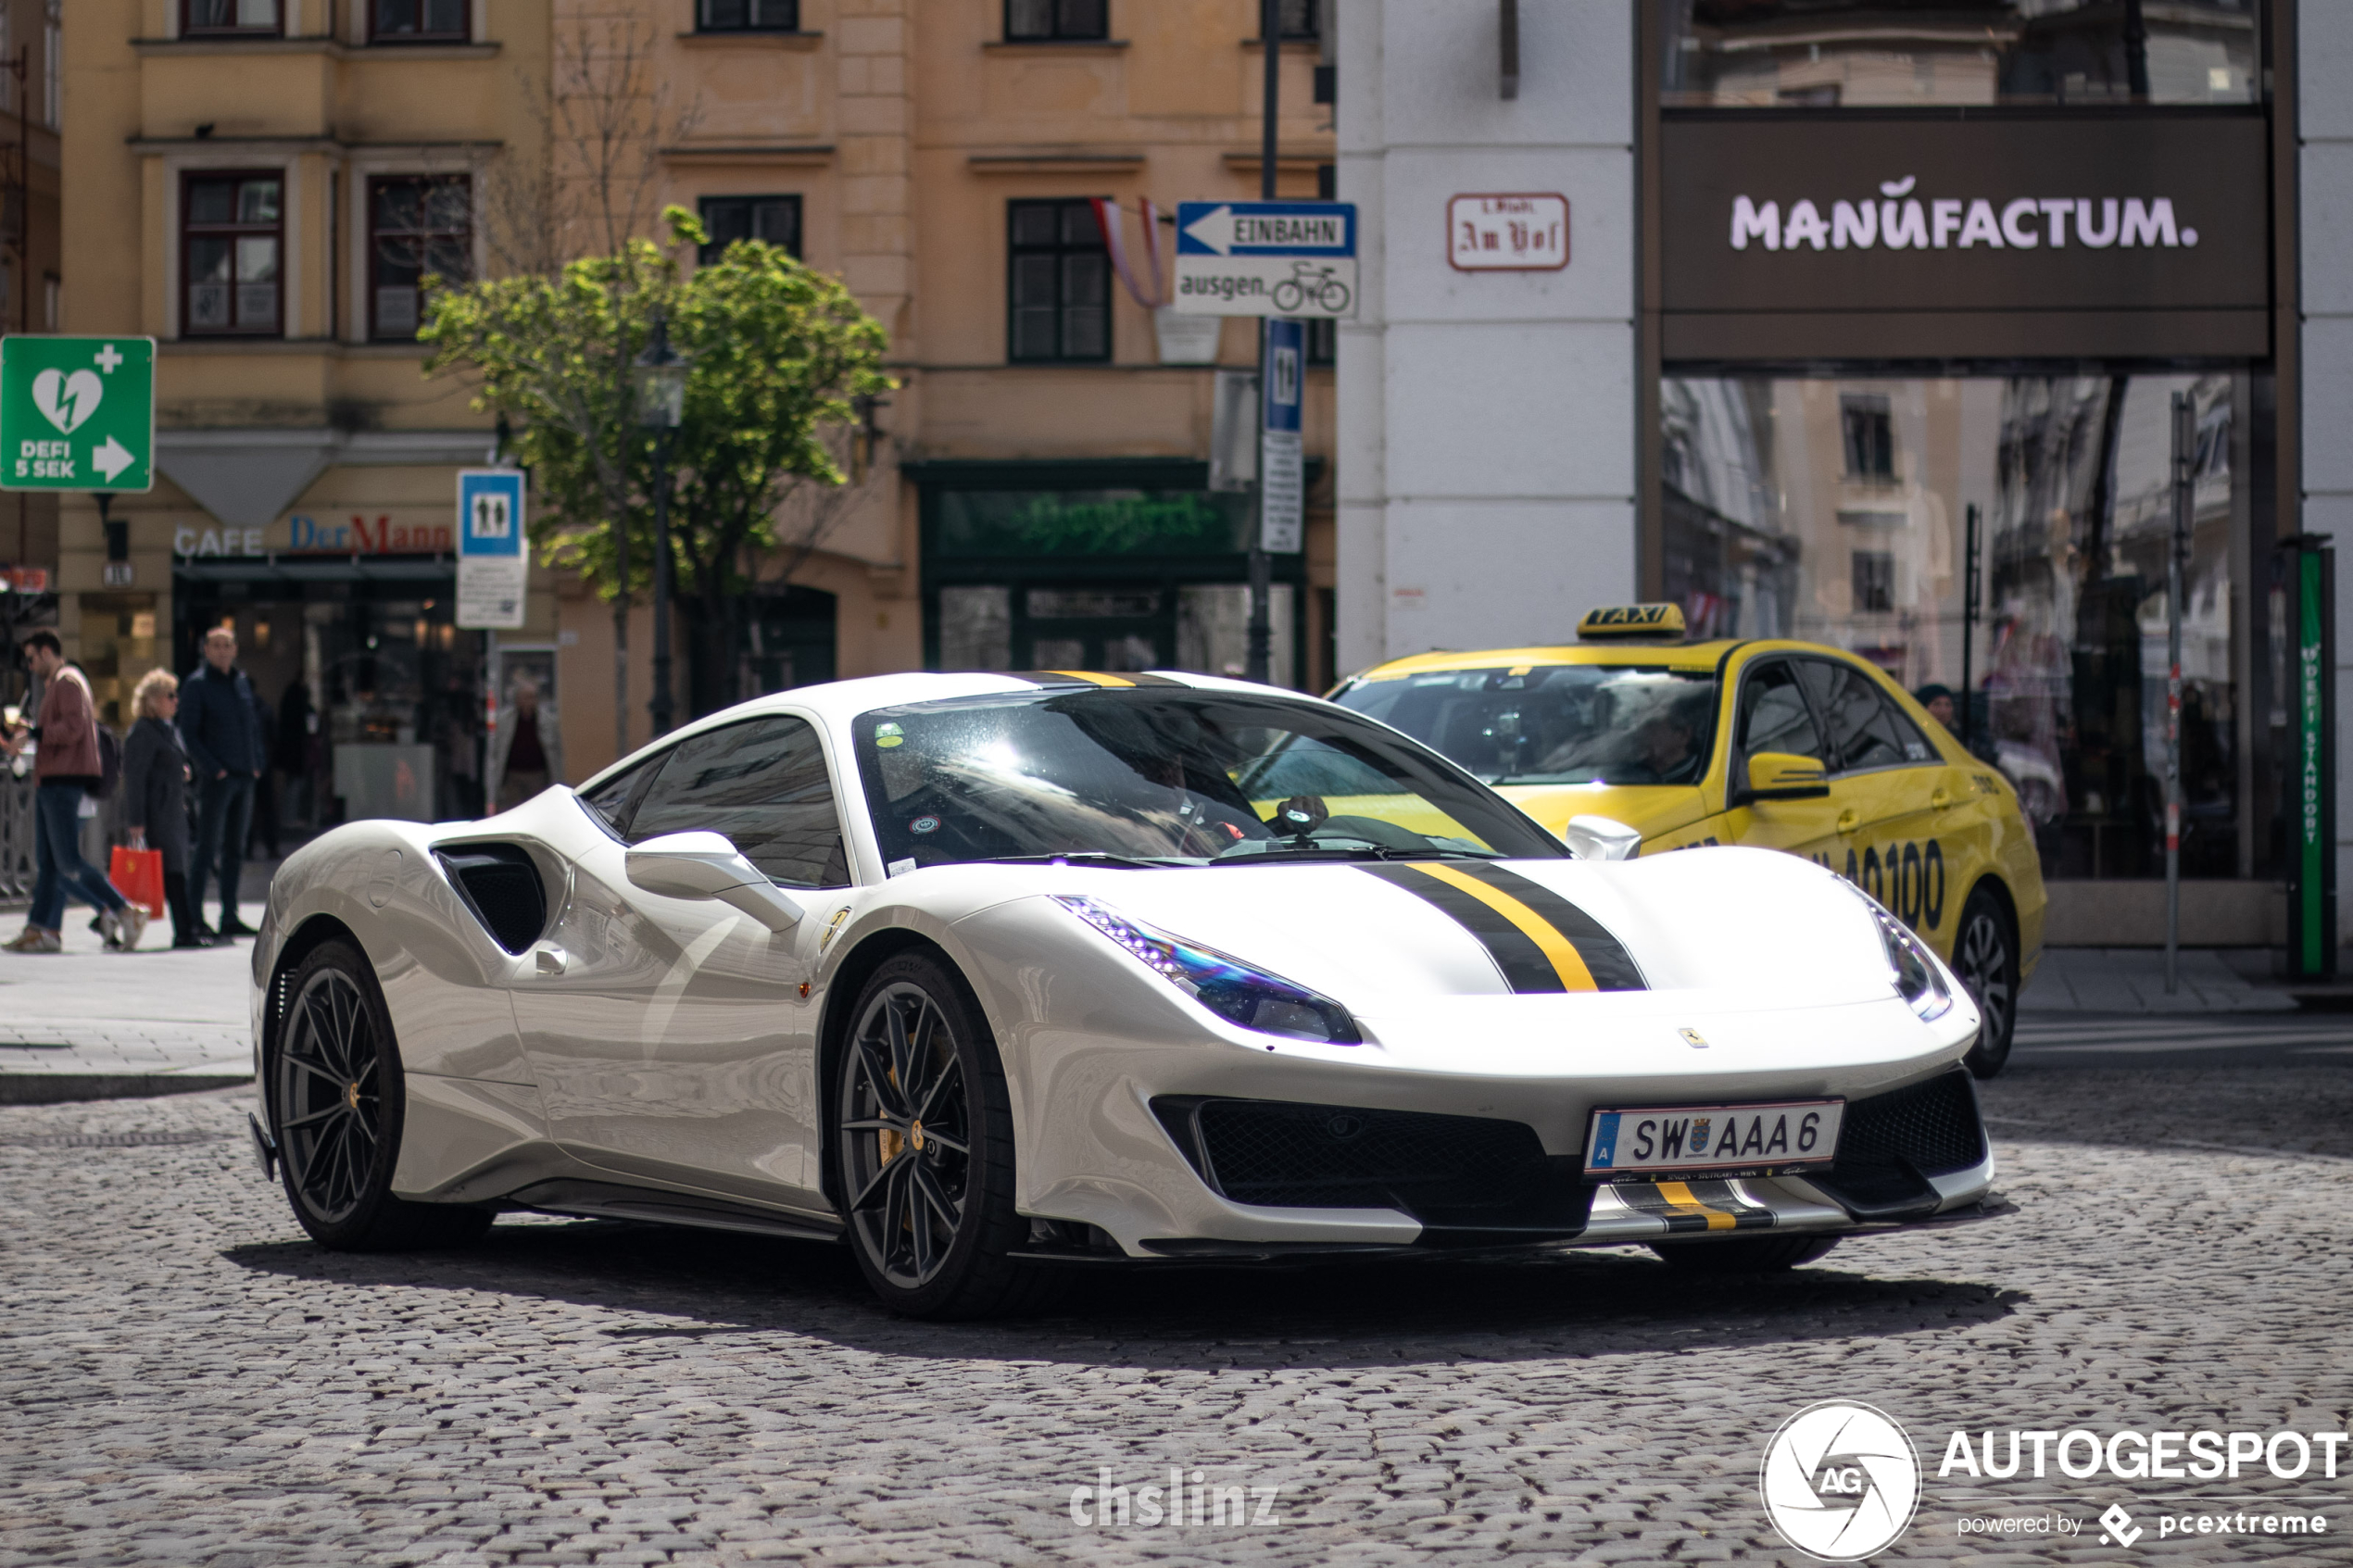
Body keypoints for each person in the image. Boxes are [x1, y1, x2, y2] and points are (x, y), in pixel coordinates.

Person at [0, 632, 145, 953]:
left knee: (67, 861)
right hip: (52, 780)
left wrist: (34, 732)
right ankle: (41, 929)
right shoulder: (61, 683)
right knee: (49, 862)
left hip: (63, 781)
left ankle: (123, 909)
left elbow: (73, 728)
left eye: (32, 657)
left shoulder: (67, 682)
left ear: (48, 652)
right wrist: (31, 731)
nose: (30, 664)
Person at [178, 627, 269, 940]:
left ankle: (229, 915)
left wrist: (257, 763)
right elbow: (188, 734)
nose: (222, 650)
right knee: (206, 849)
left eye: (227, 645)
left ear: (235, 649)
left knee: (235, 850)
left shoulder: (241, 682)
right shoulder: (196, 685)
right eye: (216, 645)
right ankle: (193, 917)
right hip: (217, 780)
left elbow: (252, 727)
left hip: (245, 776)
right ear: (206, 649)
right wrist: (213, 769)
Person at [123, 669, 209, 949]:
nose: (176, 700)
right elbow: (134, 779)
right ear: (153, 700)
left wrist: (182, 772)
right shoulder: (143, 731)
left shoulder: (167, 728)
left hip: (174, 811)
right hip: (157, 813)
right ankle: (184, 931)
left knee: (176, 870)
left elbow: (173, 762)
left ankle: (186, 929)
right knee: (174, 872)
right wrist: (136, 820)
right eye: (169, 695)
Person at [487, 672, 562, 812]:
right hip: (513, 777)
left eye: (533, 697)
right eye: (526, 697)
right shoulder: (505, 721)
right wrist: (493, 793)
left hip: (537, 777)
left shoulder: (548, 722)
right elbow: (495, 755)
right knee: (514, 811)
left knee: (536, 811)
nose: (530, 701)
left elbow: (557, 755)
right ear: (518, 699)